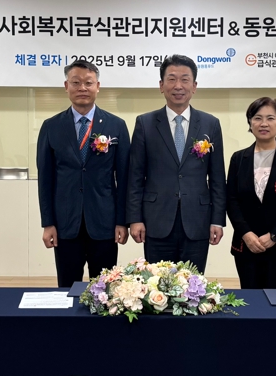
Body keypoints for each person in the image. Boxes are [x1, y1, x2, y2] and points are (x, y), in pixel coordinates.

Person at [126, 54, 226, 273]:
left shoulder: (210, 123)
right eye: (171, 79)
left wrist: (217, 220)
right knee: (157, 284)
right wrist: (135, 219)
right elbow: (135, 177)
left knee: (193, 284)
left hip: (197, 220)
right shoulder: (145, 123)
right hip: (156, 220)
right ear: (161, 85)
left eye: (185, 79)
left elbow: (218, 178)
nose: (178, 86)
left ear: (194, 86)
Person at [37, 60, 130, 287]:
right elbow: (45, 180)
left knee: (106, 290)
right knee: (67, 288)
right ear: (66, 86)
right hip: (66, 224)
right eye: (76, 82)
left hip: (105, 223)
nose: (82, 88)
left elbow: (124, 178)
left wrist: (122, 221)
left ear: (98, 86)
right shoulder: (51, 126)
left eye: (88, 83)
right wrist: (48, 223)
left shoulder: (116, 125)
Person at [226, 97, 276, 289]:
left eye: (270, 118)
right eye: (257, 118)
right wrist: (246, 234)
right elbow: (231, 200)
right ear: (250, 123)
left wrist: (274, 235)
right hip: (247, 245)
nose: (263, 123)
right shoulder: (238, 158)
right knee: (250, 300)